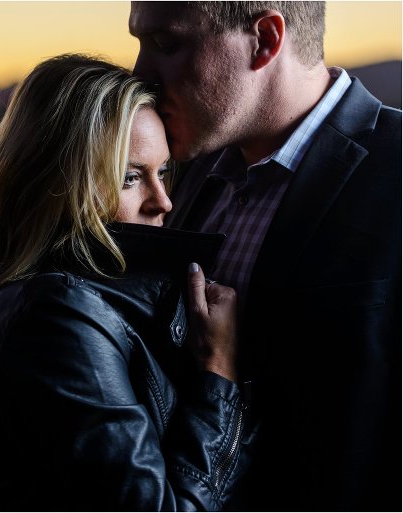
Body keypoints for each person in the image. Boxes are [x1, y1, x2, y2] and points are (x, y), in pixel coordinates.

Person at [0, 54, 255, 510]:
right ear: (58, 185)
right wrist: (219, 374)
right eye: (129, 178)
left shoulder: (87, 302)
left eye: (163, 173)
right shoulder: (56, 319)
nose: (162, 202)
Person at [129, 2, 401, 510]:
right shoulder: (178, 166)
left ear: (266, 40)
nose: (140, 74)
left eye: (167, 45)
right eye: (140, 44)